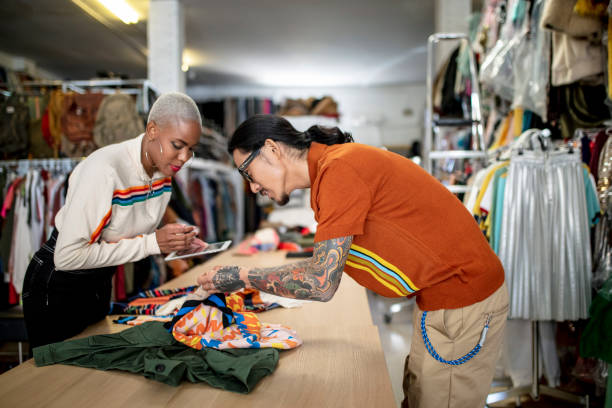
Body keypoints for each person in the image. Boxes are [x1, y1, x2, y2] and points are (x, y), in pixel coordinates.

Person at [197, 114, 509, 408]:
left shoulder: (340, 169)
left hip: (463, 299)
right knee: (420, 396)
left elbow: (320, 282)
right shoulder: (331, 171)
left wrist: (244, 276)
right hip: (443, 302)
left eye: (247, 173)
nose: (252, 187)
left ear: (272, 149)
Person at [22, 92, 207, 348]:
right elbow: (66, 257)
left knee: (93, 378)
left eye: (191, 149)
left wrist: (176, 244)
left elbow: (131, 236)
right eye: (178, 145)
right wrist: (153, 244)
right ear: (152, 130)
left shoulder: (163, 171)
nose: (185, 157)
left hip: (99, 280)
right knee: (55, 380)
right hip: (58, 284)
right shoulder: (104, 170)